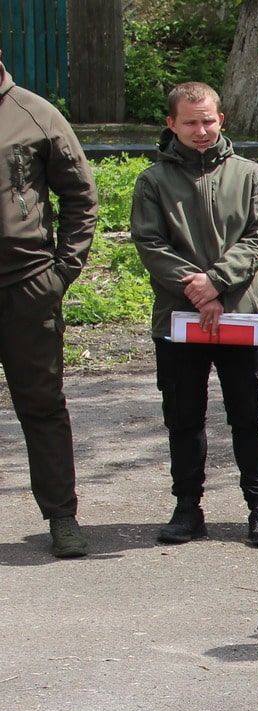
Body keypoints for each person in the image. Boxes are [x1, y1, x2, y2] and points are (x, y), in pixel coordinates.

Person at [131, 82, 258, 547]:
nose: (201, 130)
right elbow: (150, 245)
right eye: (190, 122)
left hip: (240, 314)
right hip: (179, 320)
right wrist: (195, 289)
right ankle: (187, 509)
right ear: (171, 124)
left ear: (222, 120)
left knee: (249, 415)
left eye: (208, 120)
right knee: (184, 416)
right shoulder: (152, 181)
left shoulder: (251, 175)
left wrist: (215, 282)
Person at [0, 57, 97, 558]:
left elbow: (81, 196)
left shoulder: (35, 114)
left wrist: (62, 273)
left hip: (26, 289)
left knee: (41, 406)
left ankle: (61, 516)